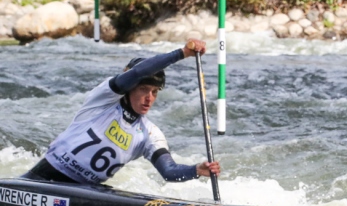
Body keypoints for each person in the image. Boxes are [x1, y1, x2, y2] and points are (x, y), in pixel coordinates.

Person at [21, 39, 220, 186]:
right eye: (143, 89)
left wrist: (196, 170)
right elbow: (137, 73)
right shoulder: (103, 99)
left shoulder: (150, 134)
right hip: (42, 178)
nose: (149, 98)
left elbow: (169, 171)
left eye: (154, 92)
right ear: (130, 88)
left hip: (86, 191)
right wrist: (182, 53)